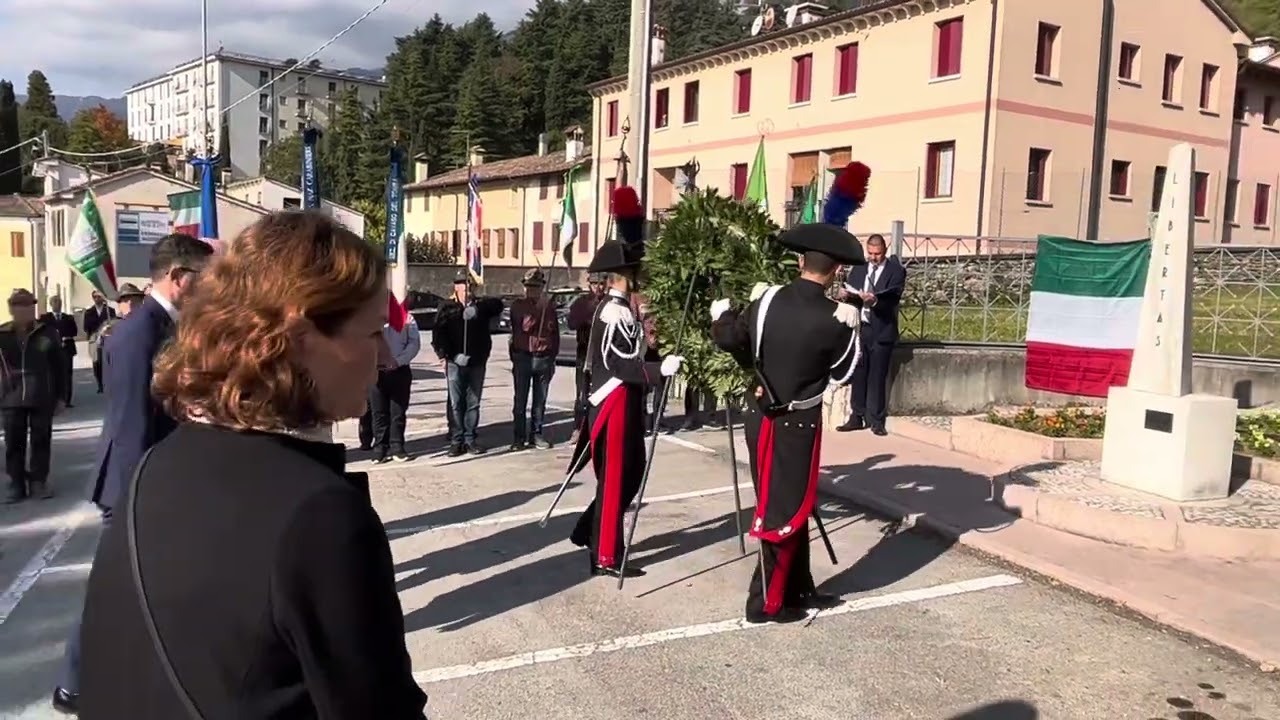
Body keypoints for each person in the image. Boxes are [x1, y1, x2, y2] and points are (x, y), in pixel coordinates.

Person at [74, 210, 427, 719]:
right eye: (372, 333)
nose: (385, 358)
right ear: (301, 334)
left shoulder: (159, 463)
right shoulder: (319, 516)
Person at [53, 234, 214, 714]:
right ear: (180, 279)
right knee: (114, 585)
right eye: (202, 280)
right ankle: (74, 683)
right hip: (132, 484)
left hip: (157, 480)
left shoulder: (167, 325)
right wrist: (141, 495)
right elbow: (129, 427)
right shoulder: (136, 333)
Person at [709, 223, 865, 624]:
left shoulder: (765, 299)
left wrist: (721, 315)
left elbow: (731, 340)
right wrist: (854, 317)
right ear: (836, 271)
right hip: (797, 424)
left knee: (789, 503)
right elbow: (844, 372)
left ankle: (799, 587)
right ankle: (766, 601)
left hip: (759, 419)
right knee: (783, 509)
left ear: (799, 261)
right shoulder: (837, 317)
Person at [566, 185, 685, 578]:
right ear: (626, 277)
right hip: (613, 401)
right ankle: (604, 555)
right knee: (617, 478)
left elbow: (633, 356)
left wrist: (656, 355)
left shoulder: (624, 311)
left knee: (630, 474)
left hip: (627, 399)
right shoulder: (611, 313)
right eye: (638, 274)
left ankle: (589, 527)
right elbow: (618, 364)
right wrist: (657, 371)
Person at [0, 289, 65, 504]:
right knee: (13, 442)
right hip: (11, 396)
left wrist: (61, 397)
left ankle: (38, 481)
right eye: (18, 305)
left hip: (41, 395)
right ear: (11, 308)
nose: (24, 310)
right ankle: (16, 482)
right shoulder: (2, 334)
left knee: (41, 439)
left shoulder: (47, 332)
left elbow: (59, 366)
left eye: (28, 305)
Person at [838, 233, 906, 435]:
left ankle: (876, 419)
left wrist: (875, 301)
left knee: (877, 375)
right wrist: (846, 295)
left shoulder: (896, 271)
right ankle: (856, 416)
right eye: (870, 253)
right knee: (858, 373)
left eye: (877, 254)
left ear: (884, 251)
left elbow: (893, 298)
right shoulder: (859, 268)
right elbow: (851, 294)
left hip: (882, 329)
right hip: (862, 328)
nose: (873, 258)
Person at [431, 270, 503, 456]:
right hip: (455, 362)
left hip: (476, 362)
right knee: (456, 403)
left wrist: (477, 310)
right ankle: (457, 440)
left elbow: (498, 305)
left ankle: (470, 439)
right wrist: (446, 355)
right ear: (456, 286)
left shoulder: (481, 306)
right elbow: (438, 334)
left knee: (473, 403)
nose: (466, 288)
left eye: (469, 284)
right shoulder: (446, 307)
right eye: (462, 284)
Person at [508, 268, 560, 450]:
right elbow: (525, 326)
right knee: (520, 400)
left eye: (537, 287)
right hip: (523, 357)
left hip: (543, 358)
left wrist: (553, 357)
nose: (533, 290)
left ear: (542, 287)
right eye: (530, 287)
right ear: (524, 287)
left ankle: (536, 434)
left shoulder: (549, 307)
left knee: (540, 401)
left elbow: (555, 335)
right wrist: (538, 310)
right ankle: (518, 437)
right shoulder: (518, 306)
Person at [369, 293, 420, 463]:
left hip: (399, 371)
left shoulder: (407, 319)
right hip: (377, 372)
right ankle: (380, 448)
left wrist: (398, 361)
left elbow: (414, 344)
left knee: (397, 412)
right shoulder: (370, 320)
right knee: (379, 413)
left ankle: (397, 446)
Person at [566, 272, 606, 443]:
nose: (598, 287)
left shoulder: (608, 303)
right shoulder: (582, 302)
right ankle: (578, 428)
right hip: (584, 354)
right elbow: (571, 323)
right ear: (589, 284)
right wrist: (588, 313)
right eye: (595, 283)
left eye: (602, 283)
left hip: (603, 355)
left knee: (601, 394)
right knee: (582, 395)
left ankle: (599, 429)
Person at [87, 284, 143, 395]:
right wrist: (103, 336)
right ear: (119, 304)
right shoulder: (113, 325)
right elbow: (104, 351)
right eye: (125, 300)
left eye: (134, 299)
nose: (130, 303)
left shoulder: (148, 322)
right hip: (120, 379)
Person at [41, 295, 79, 407]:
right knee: (52, 374)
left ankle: (67, 399)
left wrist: (65, 337)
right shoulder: (45, 319)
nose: (57, 305)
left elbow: (75, 332)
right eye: (55, 303)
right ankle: (53, 398)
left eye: (59, 303)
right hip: (52, 350)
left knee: (67, 375)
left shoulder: (68, 318)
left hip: (66, 349)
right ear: (51, 304)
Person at [83, 291, 116, 394]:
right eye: (95, 297)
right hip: (94, 338)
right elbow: (85, 327)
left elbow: (114, 323)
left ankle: (107, 383)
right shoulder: (89, 312)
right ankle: (100, 384)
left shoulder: (109, 311)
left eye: (99, 296)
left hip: (106, 337)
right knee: (96, 362)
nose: (97, 299)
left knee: (106, 361)